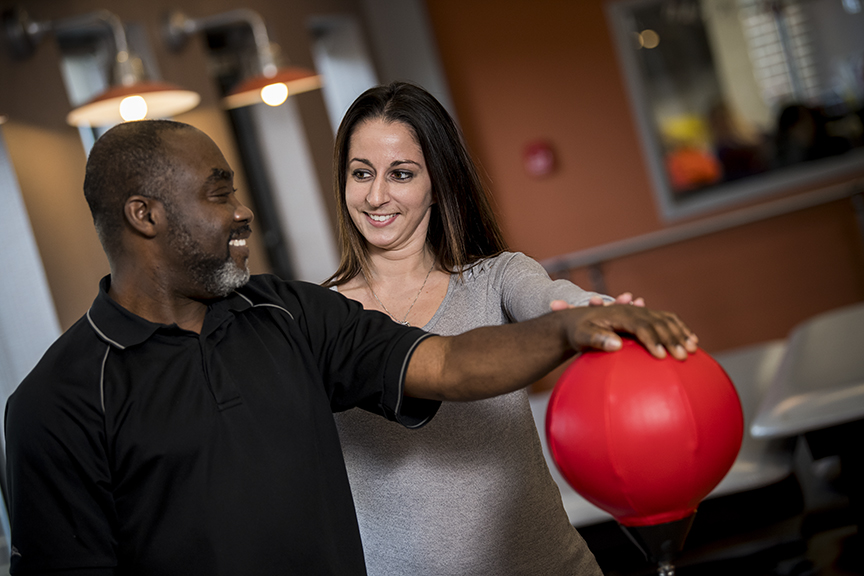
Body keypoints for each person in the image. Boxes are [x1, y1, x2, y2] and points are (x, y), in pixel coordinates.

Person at [5, 119, 696, 576]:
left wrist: (568, 327)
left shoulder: (287, 313)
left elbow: (447, 363)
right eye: (219, 194)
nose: (242, 211)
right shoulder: (57, 404)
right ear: (144, 215)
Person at [323, 82, 674, 575]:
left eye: (401, 174)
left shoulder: (497, 279)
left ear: (438, 183)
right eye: (361, 174)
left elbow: (555, 302)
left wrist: (598, 310)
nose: (376, 195)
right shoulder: (320, 315)